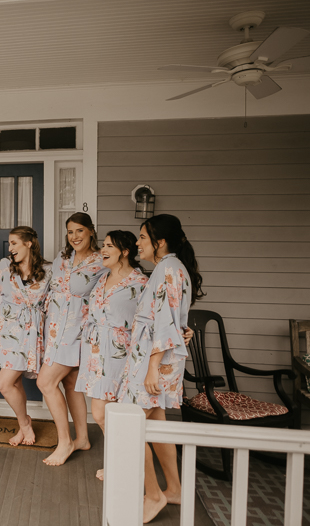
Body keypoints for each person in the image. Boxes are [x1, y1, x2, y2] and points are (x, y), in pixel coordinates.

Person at [117, 214, 205, 523]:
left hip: (153, 361)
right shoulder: (173, 269)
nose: (137, 243)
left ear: (160, 242)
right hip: (158, 357)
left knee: (129, 426)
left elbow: (164, 323)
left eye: (142, 237)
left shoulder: (168, 269)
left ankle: (154, 496)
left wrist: (152, 368)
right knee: (155, 423)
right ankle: (176, 489)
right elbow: (173, 320)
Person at [75, 230, 148, 481]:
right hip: (96, 349)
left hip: (122, 352)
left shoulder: (140, 283)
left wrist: (183, 331)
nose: (102, 250)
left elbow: (155, 316)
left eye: (109, 246)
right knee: (100, 412)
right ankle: (121, 460)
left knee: (111, 412)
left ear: (125, 252)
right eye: (103, 245)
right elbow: (75, 287)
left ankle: (124, 463)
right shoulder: (101, 276)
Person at [37, 212, 106, 466]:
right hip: (55, 327)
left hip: (77, 330)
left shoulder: (102, 260)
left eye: (79, 230)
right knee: (71, 382)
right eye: (70, 232)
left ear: (90, 231)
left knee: (45, 383)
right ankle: (83, 438)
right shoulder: (63, 257)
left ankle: (65, 441)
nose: (74, 236)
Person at [0, 226, 52, 446]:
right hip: (8, 331)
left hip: (32, 331)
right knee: (11, 383)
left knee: (6, 383)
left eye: (14, 243)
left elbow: (52, 304)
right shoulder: (3, 267)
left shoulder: (49, 270)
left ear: (29, 243)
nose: (10, 248)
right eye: (9, 244)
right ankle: (24, 425)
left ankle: (24, 424)